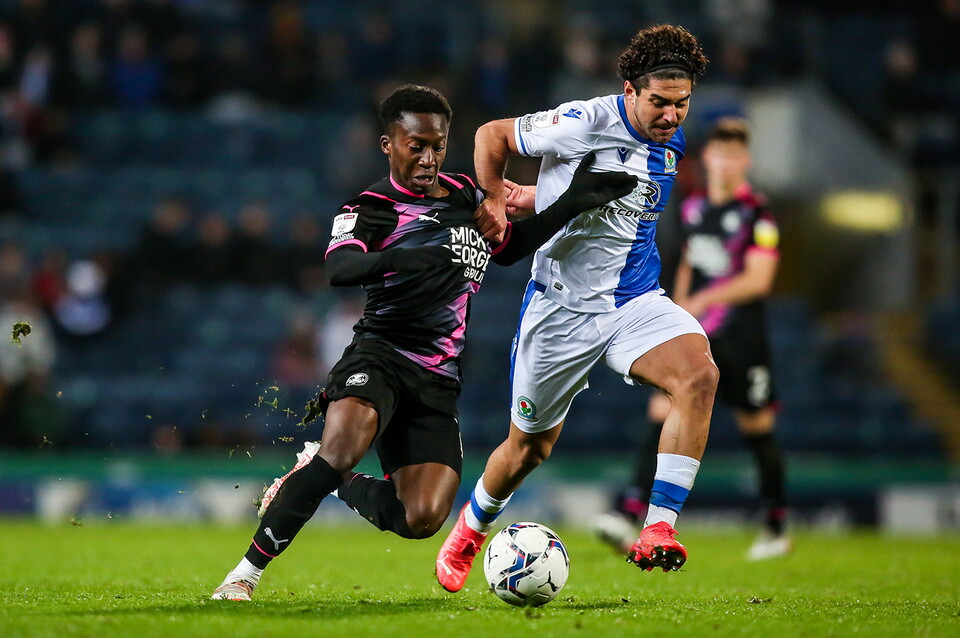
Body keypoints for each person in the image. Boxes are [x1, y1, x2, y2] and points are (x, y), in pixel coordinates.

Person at [210, 84, 636, 601]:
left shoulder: (465, 196)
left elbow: (508, 249)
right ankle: (244, 574)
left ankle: (325, 476)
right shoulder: (372, 208)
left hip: (436, 377)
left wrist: (575, 201)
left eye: (438, 145)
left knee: (423, 517)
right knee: (342, 449)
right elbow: (339, 267)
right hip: (379, 355)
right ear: (389, 144)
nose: (429, 157)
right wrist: (411, 258)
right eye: (417, 145)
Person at [436, 24, 716, 593]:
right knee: (528, 449)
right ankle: (469, 529)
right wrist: (496, 200)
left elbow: (623, 202)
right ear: (629, 89)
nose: (670, 116)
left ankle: (658, 528)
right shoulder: (583, 120)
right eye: (658, 103)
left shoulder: (674, 141)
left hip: (635, 300)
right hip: (560, 309)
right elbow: (492, 135)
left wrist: (539, 197)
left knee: (699, 377)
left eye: (681, 104)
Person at [595, 117, 790, 560]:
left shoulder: (758, 213)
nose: (725, 163)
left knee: (756, 426)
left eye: (734, 155)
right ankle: (628, 513)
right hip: (695, 331)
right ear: (707, 159)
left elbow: (759, 279)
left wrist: (703, 300)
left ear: (745, 161)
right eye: (718, 154)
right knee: (661, 408)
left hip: (742, 337)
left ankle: (775, 526)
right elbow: (684, 264)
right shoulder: (691, 209)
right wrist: (679, 312)